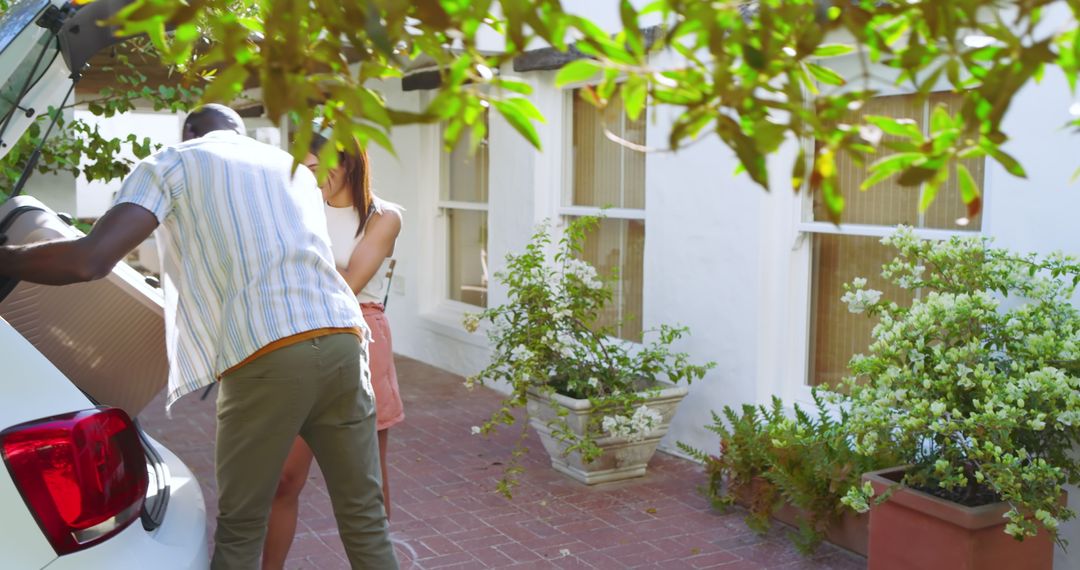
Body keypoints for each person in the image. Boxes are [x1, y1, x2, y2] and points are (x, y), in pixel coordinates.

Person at [0, 105, 399, 570]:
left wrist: (7, 258)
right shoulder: (289, 171)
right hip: (344, 340)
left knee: (241, 527)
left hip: (267, 349)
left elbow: (90, 260)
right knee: (364, 517)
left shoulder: (171, 162)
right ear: (241, 131)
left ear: (188, 132)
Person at [262, 127, 404, 570]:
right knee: (284, 478)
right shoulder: (298, 211)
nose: (311, 179)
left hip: (361, 335)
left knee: (367, 482)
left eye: (319, 168)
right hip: (302, 336)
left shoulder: (384, 216)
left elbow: (350, 284)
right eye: (302, 170)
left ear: (349, 164)